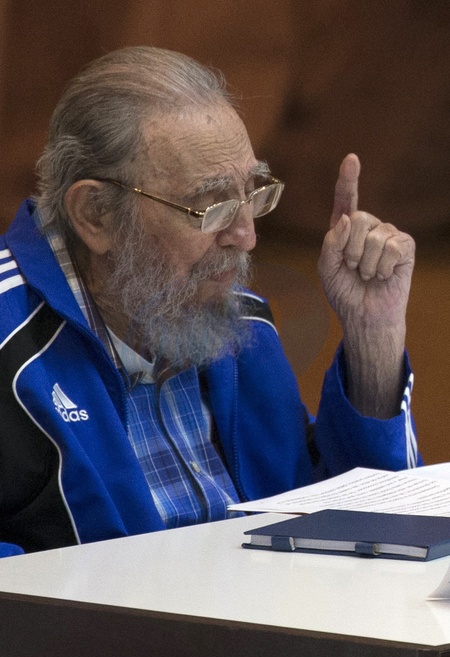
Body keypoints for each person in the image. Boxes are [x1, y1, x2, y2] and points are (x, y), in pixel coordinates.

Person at [0, 46, 421, 557]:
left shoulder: (239, 321)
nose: (247, 237)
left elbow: (365, 527)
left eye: (253, 194)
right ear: (96, 215)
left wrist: (374, 339)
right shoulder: (9, 341)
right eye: (209, 205)